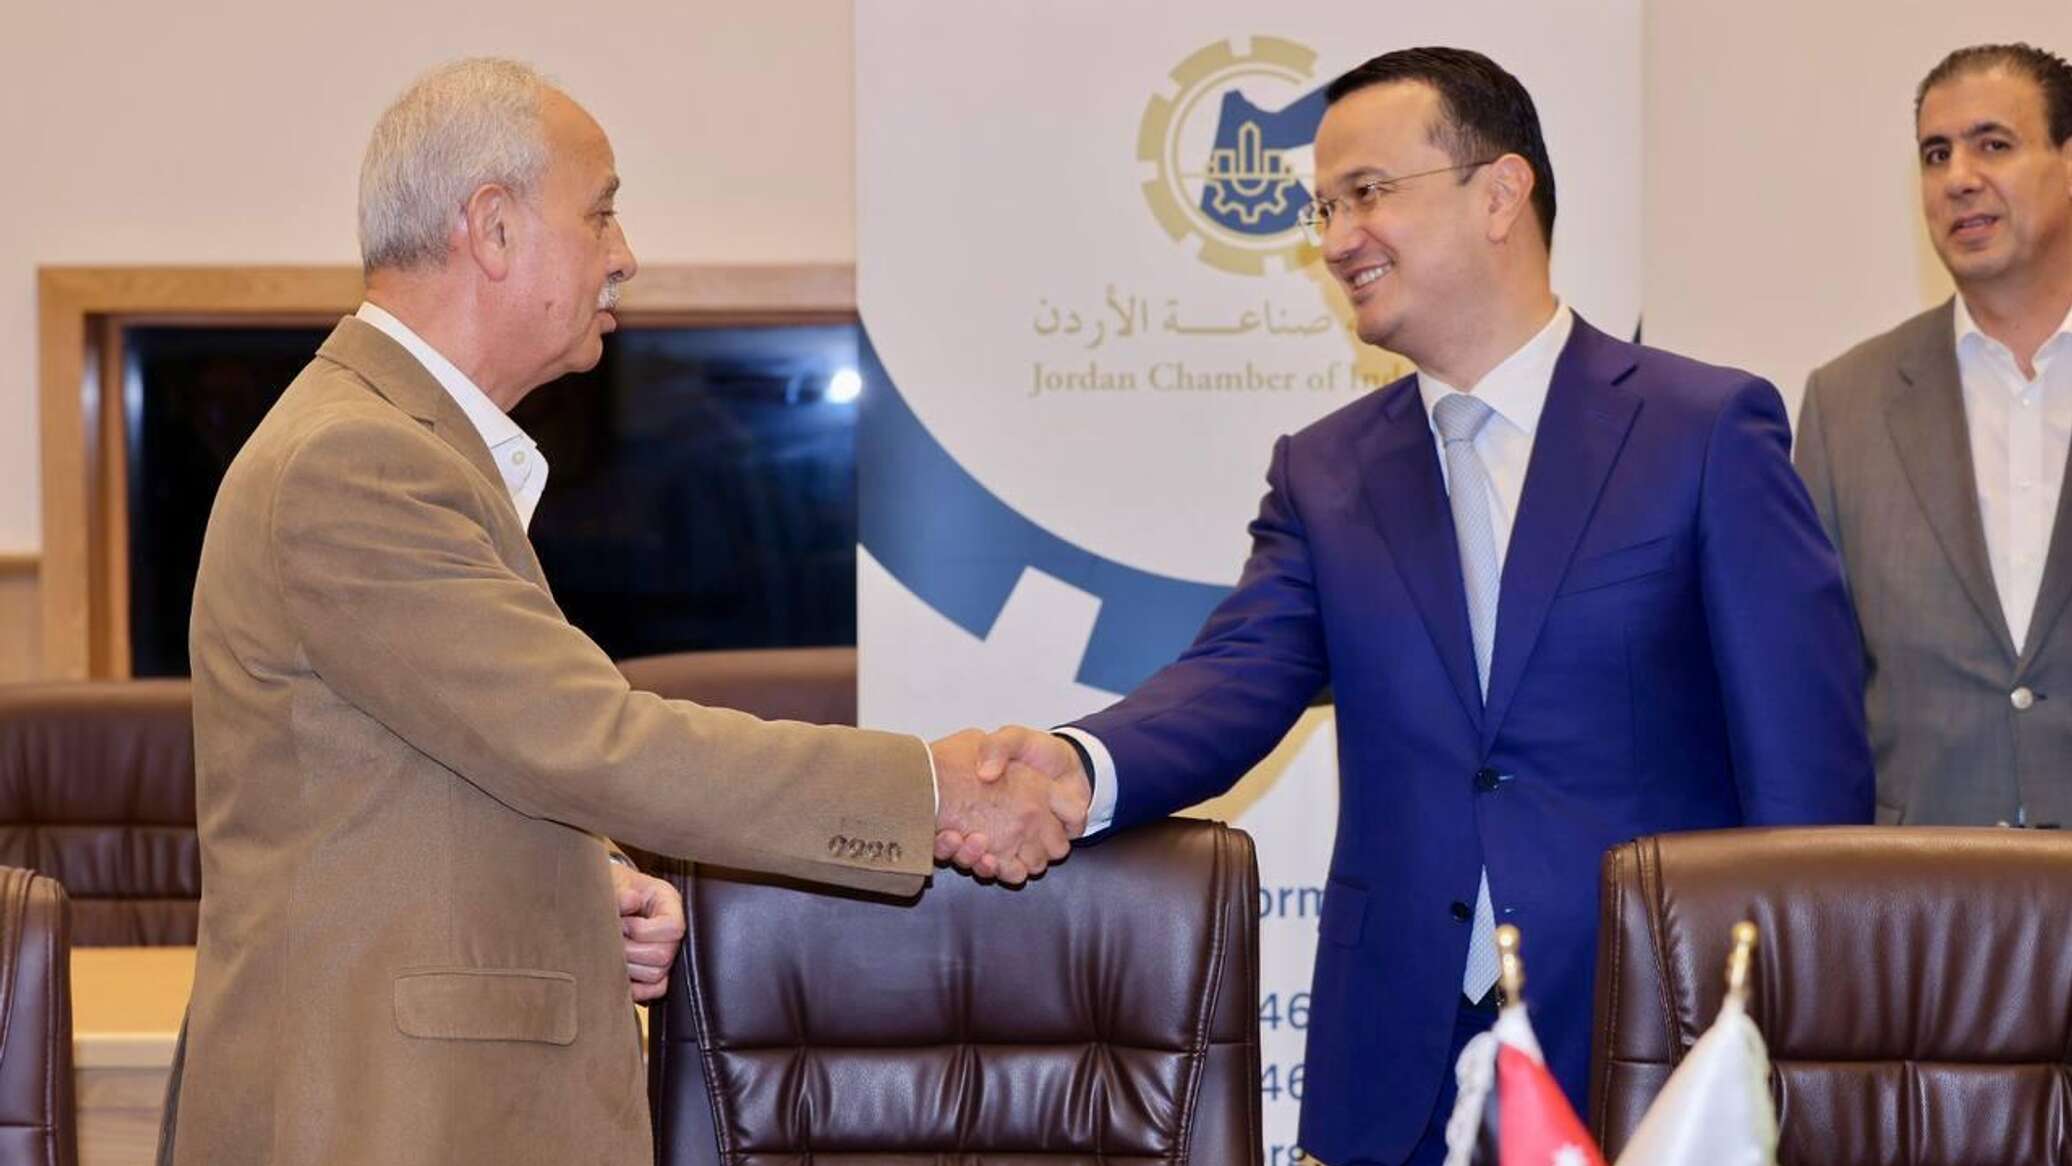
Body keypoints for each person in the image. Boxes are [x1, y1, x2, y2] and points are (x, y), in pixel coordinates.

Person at [951, 46, 1873, 1166]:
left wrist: (1796, 1042)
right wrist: (1073, 768)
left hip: (1653, 1036)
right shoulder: (1325, 471)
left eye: (1367, 193)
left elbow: (1804, 770)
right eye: (1325, 208)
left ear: (1500, 193)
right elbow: (1232, 681)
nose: (1337, 237)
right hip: (1398, 1060)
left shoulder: (1703, 429)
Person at [162, 59, 1082, 1166]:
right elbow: (595, 739)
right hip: (373, 1117)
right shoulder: (355, 460)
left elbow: (422, 770)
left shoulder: (393, 444)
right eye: (600, 211)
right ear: (492, 228)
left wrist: (576, 878)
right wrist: (929, 791)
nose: (625, 253)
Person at [1798, 43, 2072, 827]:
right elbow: (1812, 687)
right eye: (1936, 154)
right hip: (1917, 885)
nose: (1959, 178)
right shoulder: (1846, 404)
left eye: (1994, 144)